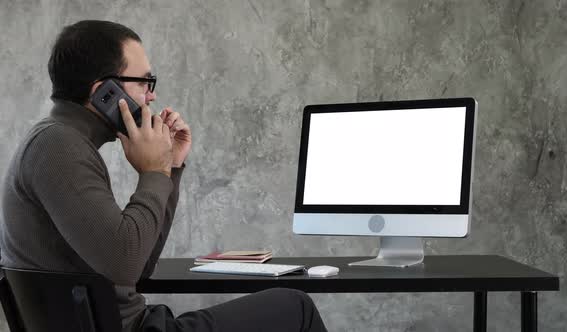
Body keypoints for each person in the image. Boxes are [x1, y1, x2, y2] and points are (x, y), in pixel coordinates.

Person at [0, 20, 327, 332]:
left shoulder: (60, 141)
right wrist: (154, 170)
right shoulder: (57, 146)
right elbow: (126, 263)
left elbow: (138, 268)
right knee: (294, 305)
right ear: (105, 93)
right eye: (144, 82)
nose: (151, 96)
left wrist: (169, 167)